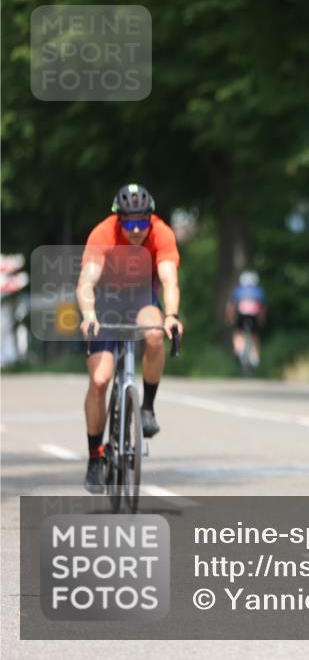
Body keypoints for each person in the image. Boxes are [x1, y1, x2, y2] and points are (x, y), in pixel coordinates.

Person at [77, 184, 183, 493]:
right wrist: (89, 316)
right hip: (105, 301)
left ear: (151, 218)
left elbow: (169, 281)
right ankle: (95, 457)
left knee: (155, 334)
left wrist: (172, 315)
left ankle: (146, 407)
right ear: (118, 219)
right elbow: (86, 283)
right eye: (129, 223)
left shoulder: (161, 233)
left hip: (141, 297)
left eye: (142, 222)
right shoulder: (103, 233)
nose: (136, 229)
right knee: (100, 381)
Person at [226, 270, 267, 369]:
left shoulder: (238, 290)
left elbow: (232, 306)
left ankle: (238, 350)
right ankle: (255, 355)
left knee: (238, 332)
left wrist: (230, 318)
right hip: (254, 317)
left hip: (241, 316)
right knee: (255, 334)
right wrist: (262, 318)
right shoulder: (259, 290)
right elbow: (263, 307)